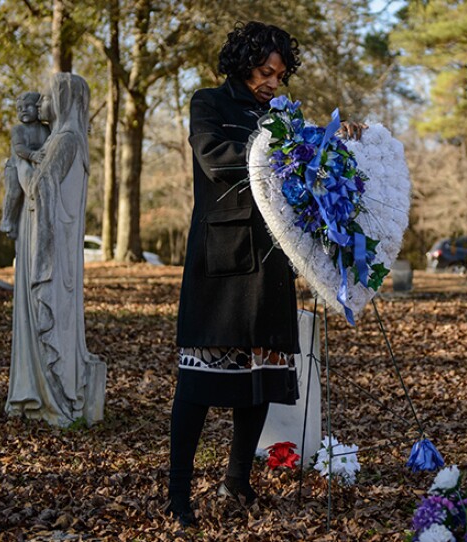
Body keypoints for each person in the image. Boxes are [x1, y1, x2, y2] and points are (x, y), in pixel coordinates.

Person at [168, 22, 304, 526]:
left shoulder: (282, 116)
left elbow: (304, 178)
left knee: (260, 379)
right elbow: (213, 158)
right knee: (199, 382)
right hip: (221, 262)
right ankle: (177, 495)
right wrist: (277, 160)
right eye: (265, 71)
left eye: (280, 74)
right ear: (243, 62)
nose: (273, 81)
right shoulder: (208, 103)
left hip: (271, 260)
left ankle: (237, 480)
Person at [4, 73, 103, 427]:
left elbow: (38, 188)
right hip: (50, 240)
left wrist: (18, 167)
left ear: (61, 102)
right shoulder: (66, 140)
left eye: (47, 98)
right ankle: (34, 395)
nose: (42, 105)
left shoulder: (64, 141)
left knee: (47, 320)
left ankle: (48, 396)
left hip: (47, 246)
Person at [0, 92, 50, 240]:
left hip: (38, 168)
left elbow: (60, 132)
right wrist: (32, 155)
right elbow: (19, 148)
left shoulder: (46, 129)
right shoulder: (18, 129)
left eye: (28, 106)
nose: (23, 110)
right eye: (19, 108)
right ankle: (8, 219)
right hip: (15, 166)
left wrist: (81, 128)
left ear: (38, 108)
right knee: (14, 192)